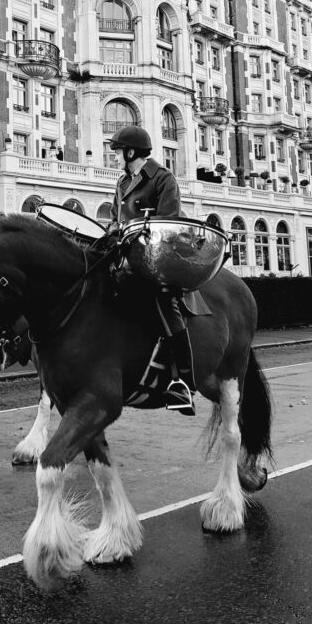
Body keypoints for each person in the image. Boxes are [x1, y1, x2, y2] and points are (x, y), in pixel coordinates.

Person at [108, 124, 196, 416]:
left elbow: (169, 221)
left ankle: (183, 381)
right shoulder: (122, 183)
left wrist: (134, 236)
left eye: (118, 151)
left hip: (160, 258)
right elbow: (114, 220)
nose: (115, 156)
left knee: (163, 302)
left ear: (130, 152)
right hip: (127, 260)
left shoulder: (162, 177)